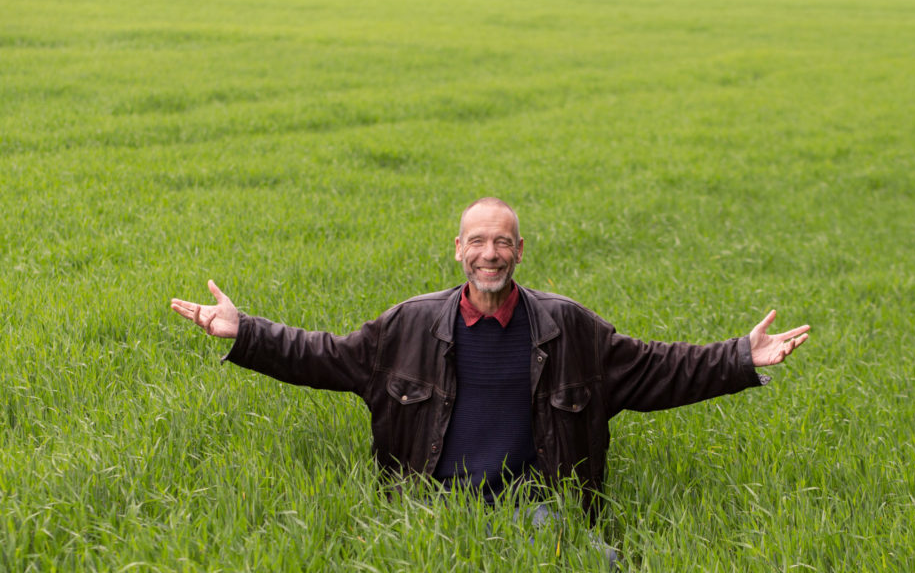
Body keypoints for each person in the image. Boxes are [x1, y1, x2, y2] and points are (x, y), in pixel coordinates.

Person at [171, 198, 809, 519]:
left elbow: (659, 369)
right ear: (458, 249)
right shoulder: (411, 324)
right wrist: (244, 331)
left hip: (537, 507)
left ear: (520, 251)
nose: (490, 253)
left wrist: (739, 357)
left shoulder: (569, 328)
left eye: (503, 242)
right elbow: (326, 357)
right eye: (478, 241)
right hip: (430, 506)